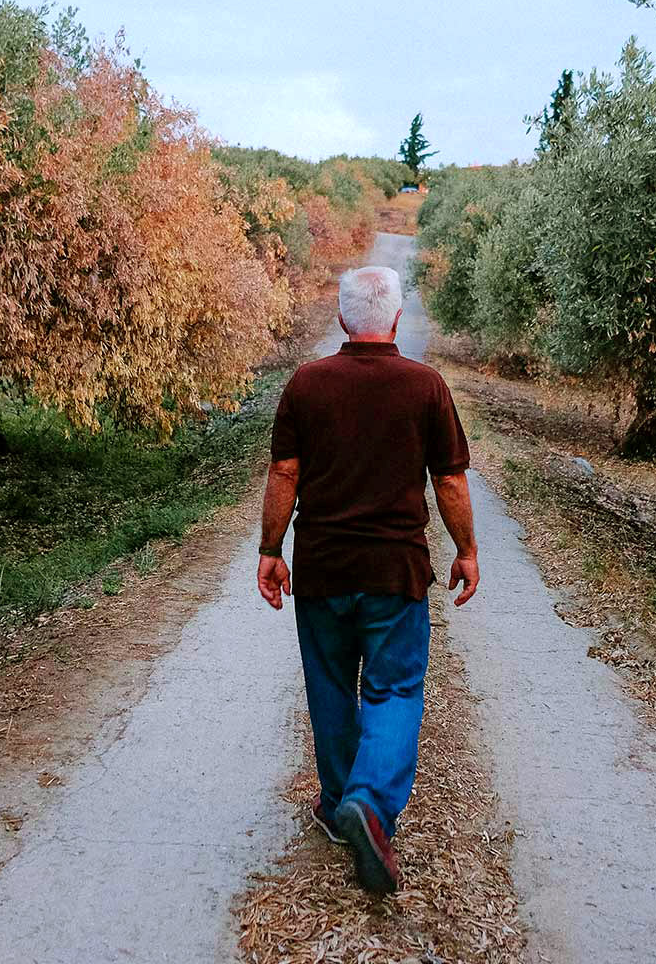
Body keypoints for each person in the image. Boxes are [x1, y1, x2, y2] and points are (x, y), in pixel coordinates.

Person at [257, 264, 479, 895]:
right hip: (394, 573)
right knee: (395, 691)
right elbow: (450, 480)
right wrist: (466, 550)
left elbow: (284, 473)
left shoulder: (307, 384)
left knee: (330, 688)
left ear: (342, 319)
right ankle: (370, 804)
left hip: (323, 570)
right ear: (398, 319)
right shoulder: (426, 386)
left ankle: (337, 807)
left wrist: (271, 549)